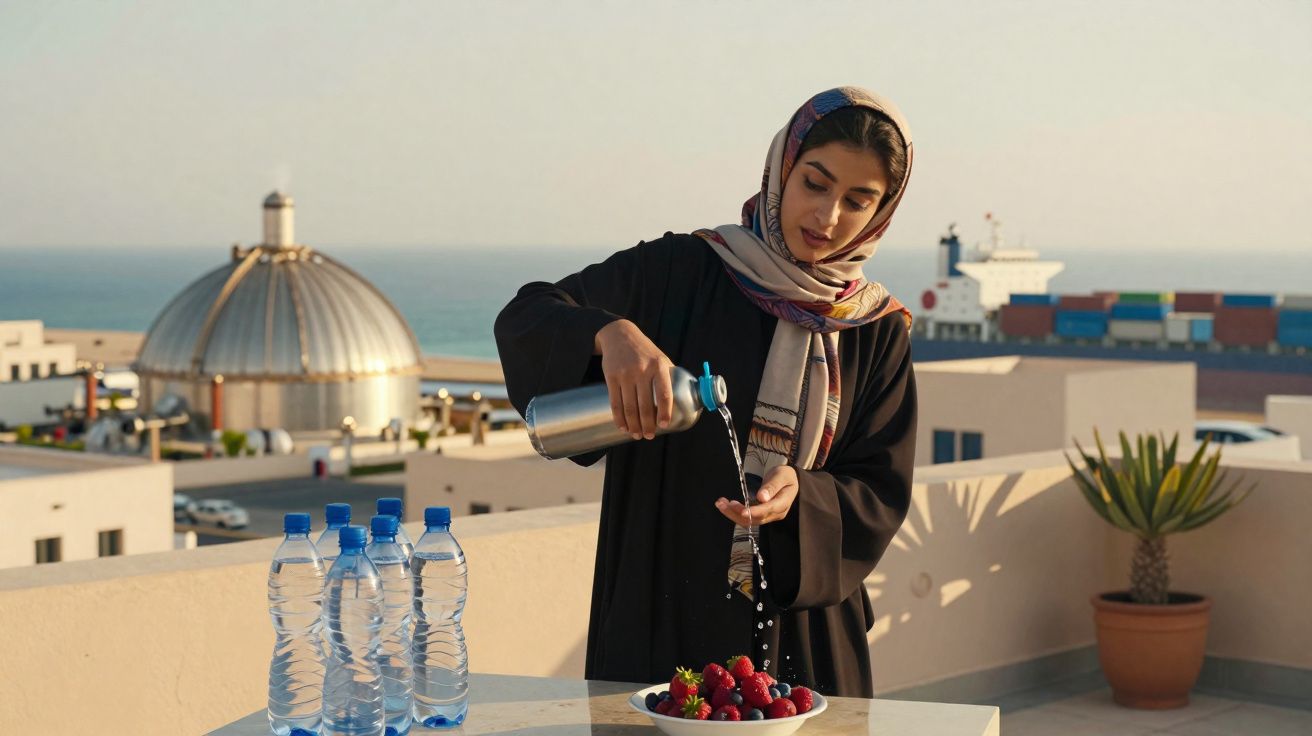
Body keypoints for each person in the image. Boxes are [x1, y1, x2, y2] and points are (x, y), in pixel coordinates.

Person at [494, 86, 917, 698]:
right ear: (783, 169)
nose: (827, 217)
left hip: (803, 635)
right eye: (815, 184)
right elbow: (528, 315)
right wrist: (608, 333)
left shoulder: (874, 329)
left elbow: (879, 488)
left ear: (882, 211)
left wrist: (804, 495)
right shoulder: (681, 271)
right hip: (659, 609)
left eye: (857, 201)